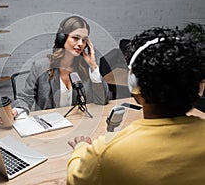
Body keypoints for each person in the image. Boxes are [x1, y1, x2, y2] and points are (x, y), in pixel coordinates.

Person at [67, 27, 205, 185]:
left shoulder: (106, 152)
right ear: (198, 88)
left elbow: (75, 180)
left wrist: (80, 149)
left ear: (134, 83)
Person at [8, 15, 109, 118]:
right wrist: (16, 111)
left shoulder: (86, 68)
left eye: (84, 40)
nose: (80, 44)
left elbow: (102, 101)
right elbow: (25, 98)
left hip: (77, 123)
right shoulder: (41, 66)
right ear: (62, 38)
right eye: (75, 38)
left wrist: (93, 66)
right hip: (49, 126)